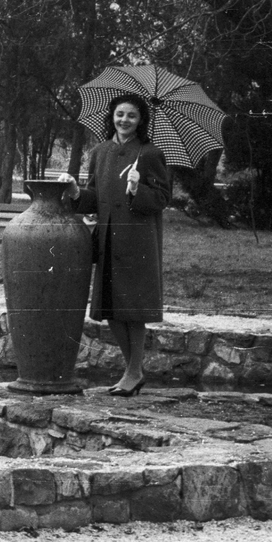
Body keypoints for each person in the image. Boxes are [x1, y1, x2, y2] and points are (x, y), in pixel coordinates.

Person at [62, 92, 171, 396]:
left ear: (141, 121)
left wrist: (137, 189)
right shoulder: (100, 152)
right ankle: (132, 371)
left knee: (132, 309)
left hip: (138, 242)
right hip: (108, 240)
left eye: (132, 116)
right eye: (120, 114)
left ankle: (134, 372)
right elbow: (94, 198)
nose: (124, 120)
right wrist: (74, 192)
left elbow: (162, 199)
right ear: (111, 115)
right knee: (111, 308)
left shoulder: (149, 154)